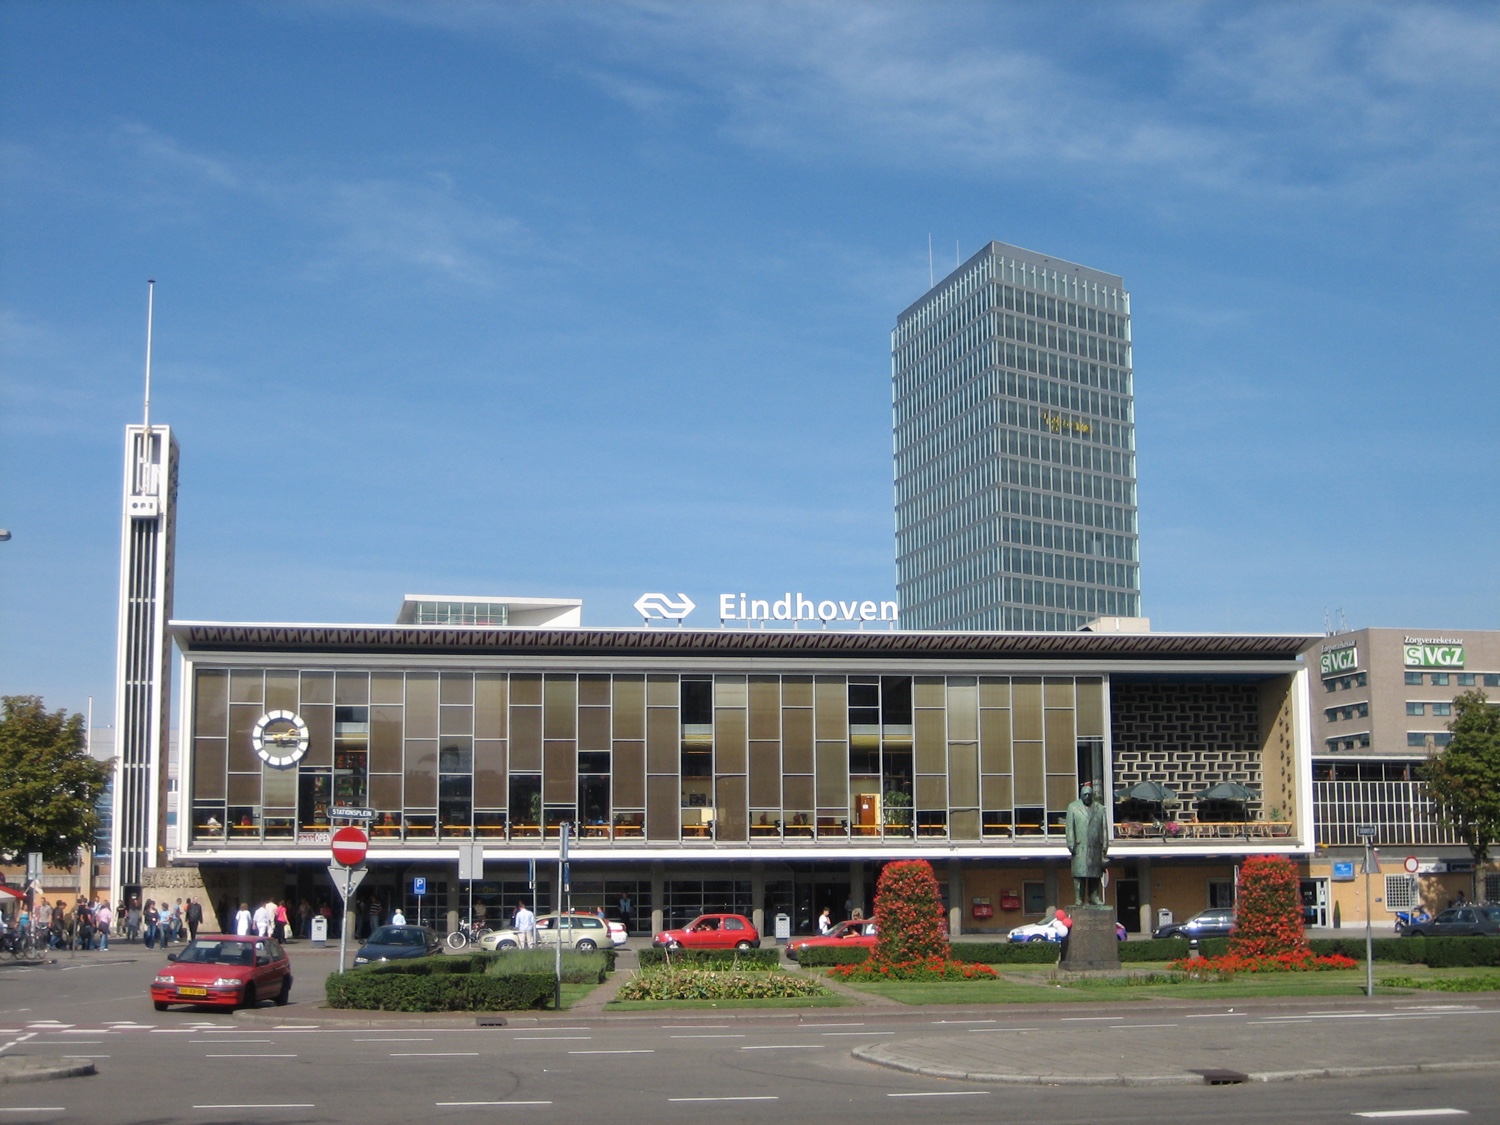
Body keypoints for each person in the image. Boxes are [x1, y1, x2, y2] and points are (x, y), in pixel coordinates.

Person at [1064, 783, 1109, 906]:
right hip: (1079, 847)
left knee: (1095, 874)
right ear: (1081, 795)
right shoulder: (1073, 807)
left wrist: (1105, 845)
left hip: (1095, 847)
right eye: (1085, 794)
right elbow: (1069, 828)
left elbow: (1104, 828)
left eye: (1089, 794)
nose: (1087, 797)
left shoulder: (1100, 808)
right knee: (1079, 875)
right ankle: (1079, 898)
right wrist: (1071, 844)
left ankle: (1094, 897)